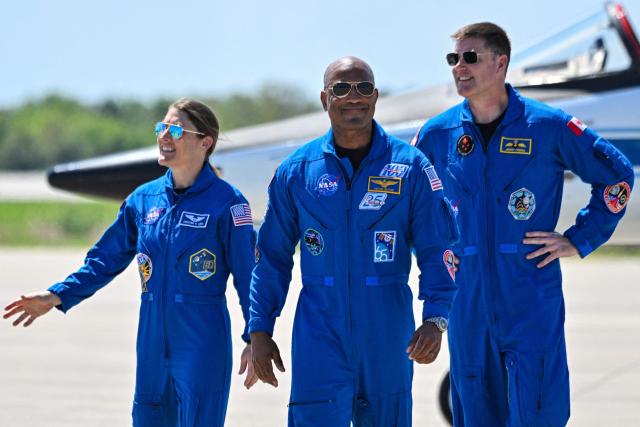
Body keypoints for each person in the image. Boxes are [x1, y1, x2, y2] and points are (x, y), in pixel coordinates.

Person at [414, 23, 634, 426]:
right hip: (468, 301)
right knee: (475, 410)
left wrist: (578, 239)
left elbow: (617, 176)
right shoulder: (436, 135)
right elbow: (414, 209)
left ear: (501, 63)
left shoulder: (548, 126)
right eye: (454, 59)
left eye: (470, 57)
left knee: (538, 410)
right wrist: (435, 261)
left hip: (530, 296)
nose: (459, 68)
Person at [3, 98, 258, 427]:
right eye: (160, 127)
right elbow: (104, 260)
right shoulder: (142, 200)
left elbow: (248, 278)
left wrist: (256, 337)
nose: (164, 136)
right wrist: (56, 295)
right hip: (151, 340)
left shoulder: (228, 202)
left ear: (205, 142)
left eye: (176, 129)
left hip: (201, 340)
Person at [248, 56, 459, 426]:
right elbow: (272, 258)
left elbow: (437, 248)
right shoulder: (297, 171)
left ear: (375, 97)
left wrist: (436, 318)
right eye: (341, 88)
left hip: (387, 330)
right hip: (319, 333)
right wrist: (260, 329)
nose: (353, 97)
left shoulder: (411, 167)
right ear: (324, 99)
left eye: (363, 88)